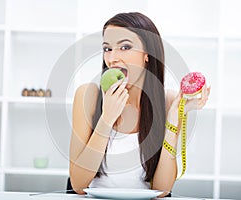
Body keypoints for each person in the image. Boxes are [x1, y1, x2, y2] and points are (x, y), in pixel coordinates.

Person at [69, 12, 210, 198]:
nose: (112, 59)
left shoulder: (170, 102)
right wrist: (107, 119)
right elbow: (78, 185)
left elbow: (162, 191)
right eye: (107, 49)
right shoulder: (88, 96)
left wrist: (173, 120)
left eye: (125, 47)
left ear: (147, 54)